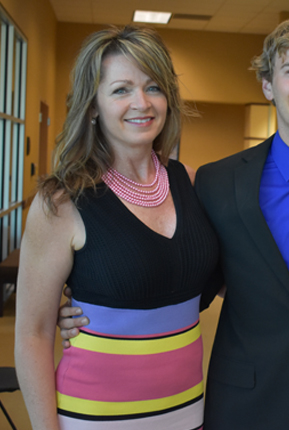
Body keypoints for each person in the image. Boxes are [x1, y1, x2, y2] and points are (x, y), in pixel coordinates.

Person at [58, 18, 289, 430]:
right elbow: (187, 275)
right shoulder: (216, 183)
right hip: (247, 404)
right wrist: (92, 311)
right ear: (268, 85)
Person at [14, 26, 219, 430]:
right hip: (95, 417)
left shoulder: (193, 184)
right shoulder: (62, 202)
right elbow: (33, 334)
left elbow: (231, 278)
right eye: (121, 90)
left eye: (153, 87)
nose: (141, 103)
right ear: (93, 106)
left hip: (187, 412)